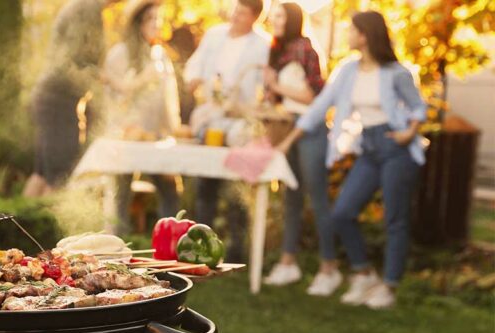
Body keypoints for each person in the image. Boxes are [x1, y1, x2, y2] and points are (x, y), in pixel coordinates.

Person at [276, 11, 427, 309]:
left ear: (365, 35)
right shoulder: (347, 71)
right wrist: (289, 140)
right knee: (342, 213)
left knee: (394, 219)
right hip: (369, 148)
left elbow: (417, 108)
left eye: (351, 30)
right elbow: (320, 106)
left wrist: (409, 133)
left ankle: (390, 285)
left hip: (396, 149)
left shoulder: (396, 72)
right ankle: (364, 273)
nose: (346, 34)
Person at [260, 3, 340, 296]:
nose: (273, 20)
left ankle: (329, 268)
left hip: (310, 131)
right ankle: (288, 262)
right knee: (290, 198)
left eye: (279, 15)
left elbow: (313, 97)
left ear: (293, 19)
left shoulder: (305, 49)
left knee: (317, 199)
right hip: (284, 129)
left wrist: (277, 88)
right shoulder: (276, 51)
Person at [183, 0, 269, 262]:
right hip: (211, 118)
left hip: (238, 122)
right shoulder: (214, 35)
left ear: (254, 18)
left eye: (242, 13)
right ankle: (199, 247)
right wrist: (193, 79)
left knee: (236, 185)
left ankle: (235, 250)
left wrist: (247, 108)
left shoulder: (262, 45)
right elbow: (195, 65)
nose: (235, 16)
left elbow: (264, 88)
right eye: (235, 9)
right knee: (206, 183)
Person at [24, 0, 120, 197]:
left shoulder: (83, 6)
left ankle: (20, 226)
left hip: (51, 98)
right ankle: (49, 227)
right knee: (59, 179)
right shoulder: (87, 8)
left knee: (42, 174)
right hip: (60, 102)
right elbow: (75, 58)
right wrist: (109, 79)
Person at [103, 0, 180, 234]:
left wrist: (172, 130)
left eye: (158, 18)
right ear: (137, 23)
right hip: (126, 137)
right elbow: (113, 98)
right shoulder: (120, 53)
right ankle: (116, 251)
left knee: (170, 190)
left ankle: (169, 247)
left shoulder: (160, 55)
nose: (156, 24)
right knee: (121, 195)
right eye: (150, 19)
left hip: (154, 137)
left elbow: (168, 99)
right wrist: (141, 80)